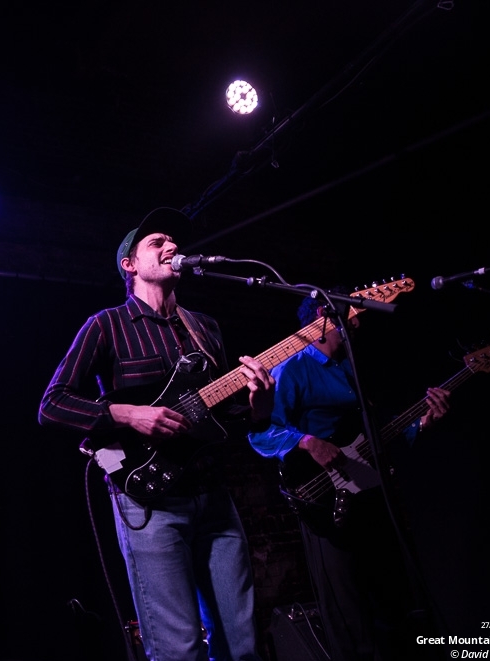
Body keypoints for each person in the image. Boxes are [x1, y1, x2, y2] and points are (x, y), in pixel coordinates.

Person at [38, 207, 275, 661]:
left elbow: (226, 418)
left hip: (214, 496)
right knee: (178, 648)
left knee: (243, 643)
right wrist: (128, 414)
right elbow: (52, 405)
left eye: (173, 241)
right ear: (129, 265)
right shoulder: (105, 325)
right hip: (149, 503)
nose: (171, 247)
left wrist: (259, 403)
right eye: (156, 242)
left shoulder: (203, 327)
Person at [247, 294, 450, 661]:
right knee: (348, 612)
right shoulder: (292, 367)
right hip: (323, 499)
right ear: (327, 315)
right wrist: (307, 442)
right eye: (354, 315)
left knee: (391, 601)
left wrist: (421, 423)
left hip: (368, 492)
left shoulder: (350, 365)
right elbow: (261, 433)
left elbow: (371, 431)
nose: (358, 323)